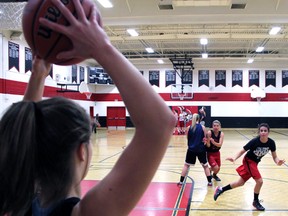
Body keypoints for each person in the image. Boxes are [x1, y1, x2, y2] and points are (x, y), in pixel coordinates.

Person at [0, 1, 176, 215]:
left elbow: (23, 132)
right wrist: (101, 47)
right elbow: (159, 125)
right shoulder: (85, 213)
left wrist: (38, 77)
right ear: (82, 152)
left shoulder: (11, 201)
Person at [213, 123, 285, 211]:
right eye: (261, 131)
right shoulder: (254, 141)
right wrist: (234, 158)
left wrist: (278, 162)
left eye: (265, 131)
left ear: (268, 132)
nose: (263, 132)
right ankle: (255, 201)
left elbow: (275, 157)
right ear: (259, 132)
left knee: (240, 183)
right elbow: (243, 150)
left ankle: (221, 189)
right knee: (260, 181)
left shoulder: (271, 143)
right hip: (248, 161)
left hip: (255, 163)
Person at [177, 113, 212, 187]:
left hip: (191, 149)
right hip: (201, 149)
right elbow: (205, 138)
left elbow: (187, 138)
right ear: (199, 119)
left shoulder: (189, 128)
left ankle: (180, 182)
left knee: (186, 165)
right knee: (205, 166)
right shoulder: (202, 127)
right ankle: (209, 182)